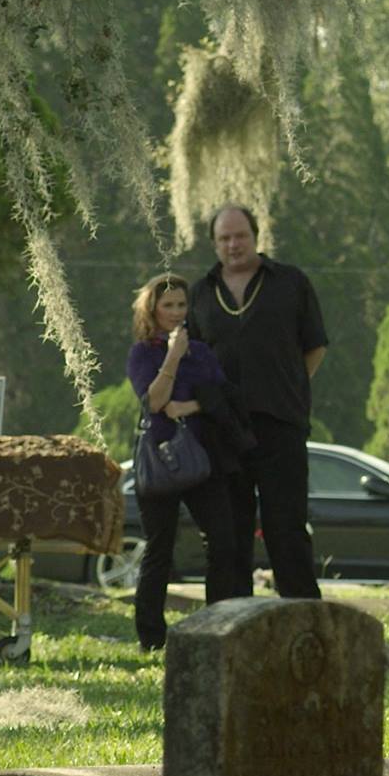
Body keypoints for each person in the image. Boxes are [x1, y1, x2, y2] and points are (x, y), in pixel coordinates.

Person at [186, 205, 327, 601]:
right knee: (229, 533)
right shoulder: (200, 294)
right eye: (224, 238)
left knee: (286, 528)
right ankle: (228, 620)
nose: (233, 245)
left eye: (240, 236)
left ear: (255, 236)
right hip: (222, 431)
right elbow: (192, 361)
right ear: (214, 244)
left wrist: (290, 386)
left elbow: (315, 346)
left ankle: (302, 616)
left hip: (280, 423)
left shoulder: (290, 283)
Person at [126, 273, 250, 651]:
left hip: (202, 458)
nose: (177, 312)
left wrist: (192, 405)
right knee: (159, 548)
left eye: (182, 305)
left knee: (224, 543)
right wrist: (173, 356)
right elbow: (154, 402)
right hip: (161, 459)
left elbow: (225, 397)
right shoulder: (143, 353)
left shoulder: (203, 353)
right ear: (152, 310)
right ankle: (151, 637)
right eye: (168, 306)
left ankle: (216, 627)